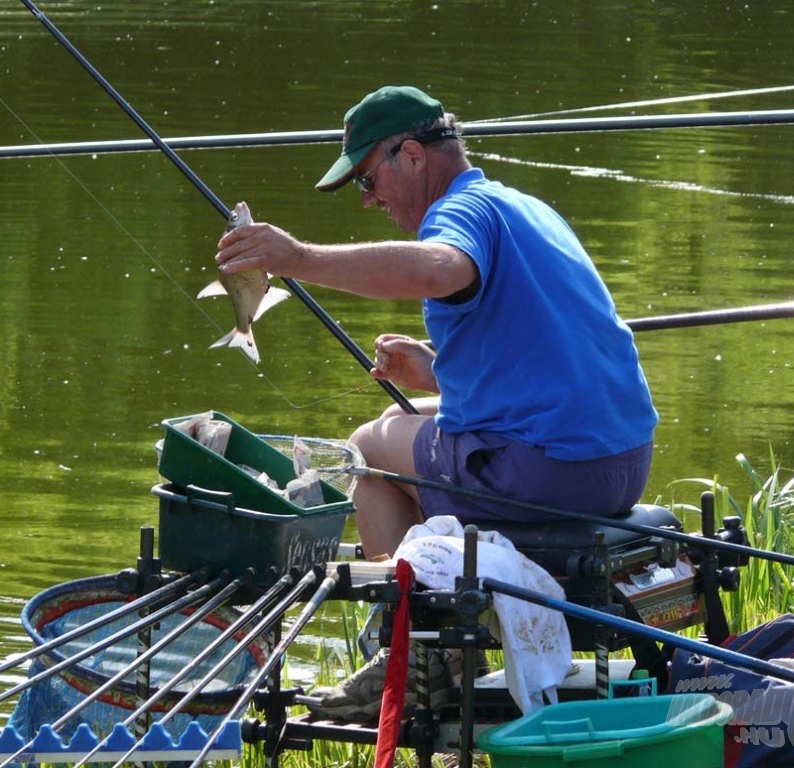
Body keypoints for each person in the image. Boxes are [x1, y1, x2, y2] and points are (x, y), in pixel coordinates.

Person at [215, 85, 658, 720]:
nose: (369, 199)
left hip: (556, 471)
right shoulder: (524, 208)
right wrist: (440, 371)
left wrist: (299, 259)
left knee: (365, 450)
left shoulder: (460, 216)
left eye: (369, 178)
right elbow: (548, 354)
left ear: (414, 157)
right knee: (399, 421)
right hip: (619, 459)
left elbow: (436, 269)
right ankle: (442, 637)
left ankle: (415, 654)